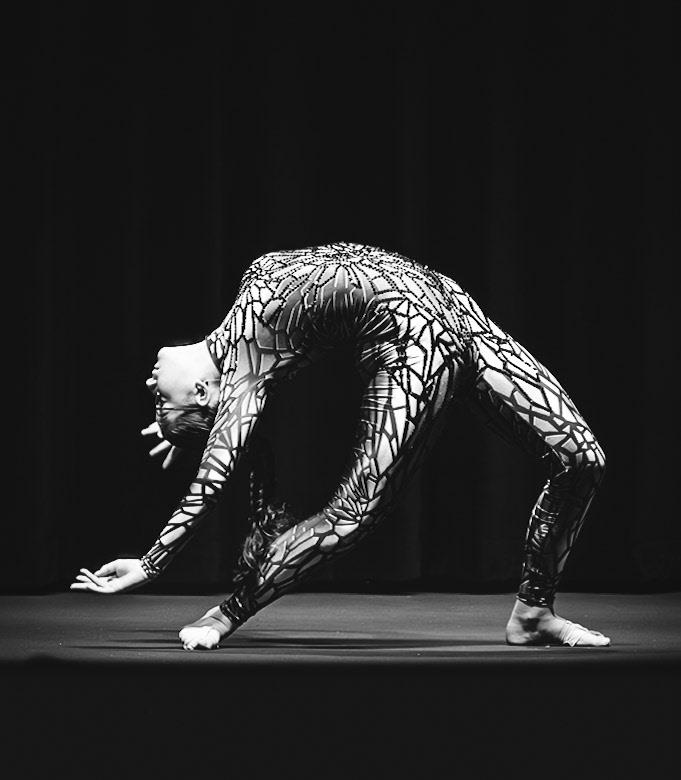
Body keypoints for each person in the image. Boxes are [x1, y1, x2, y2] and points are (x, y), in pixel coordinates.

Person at [71, 242, 609, 650]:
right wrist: (151, 564)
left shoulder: (249, 290)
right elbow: (210, 483)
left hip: (457, 312)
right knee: (354, 514)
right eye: (160, 401)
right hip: (414, 343)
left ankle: (534, 612)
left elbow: (221, 443)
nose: (149, 384)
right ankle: (226, 614)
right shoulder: (244, 375)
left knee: (583, 460)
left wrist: (183, 425)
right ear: (202, 393)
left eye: (155, 402)